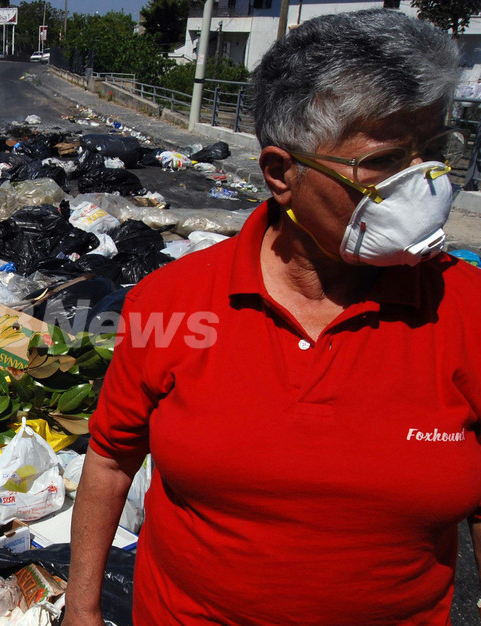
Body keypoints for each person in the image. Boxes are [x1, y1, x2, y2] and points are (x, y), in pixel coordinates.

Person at [64, 9, 481, 625]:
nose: (424, 186)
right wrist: (82, 608)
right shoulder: (171, 303)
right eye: (386, 161)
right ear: (282, 174)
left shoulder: (465, 308)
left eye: (435, 152)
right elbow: (109, 458)